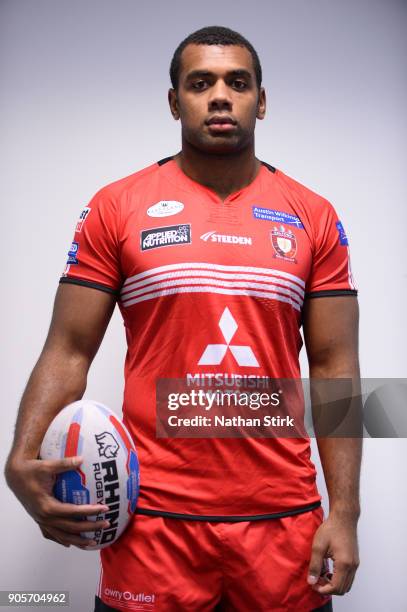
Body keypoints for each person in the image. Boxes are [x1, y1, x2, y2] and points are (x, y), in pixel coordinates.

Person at [5, 25, 361, 612]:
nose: (220, 96)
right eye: (201, 83)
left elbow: (335, 366)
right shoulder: (116, 206)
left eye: (237, 83)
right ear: (175, 101)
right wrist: (20, 458)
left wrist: (345, 513)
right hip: (152, 523)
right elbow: (69, 349)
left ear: (261, 101)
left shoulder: (314, 216)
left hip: (283, 519)